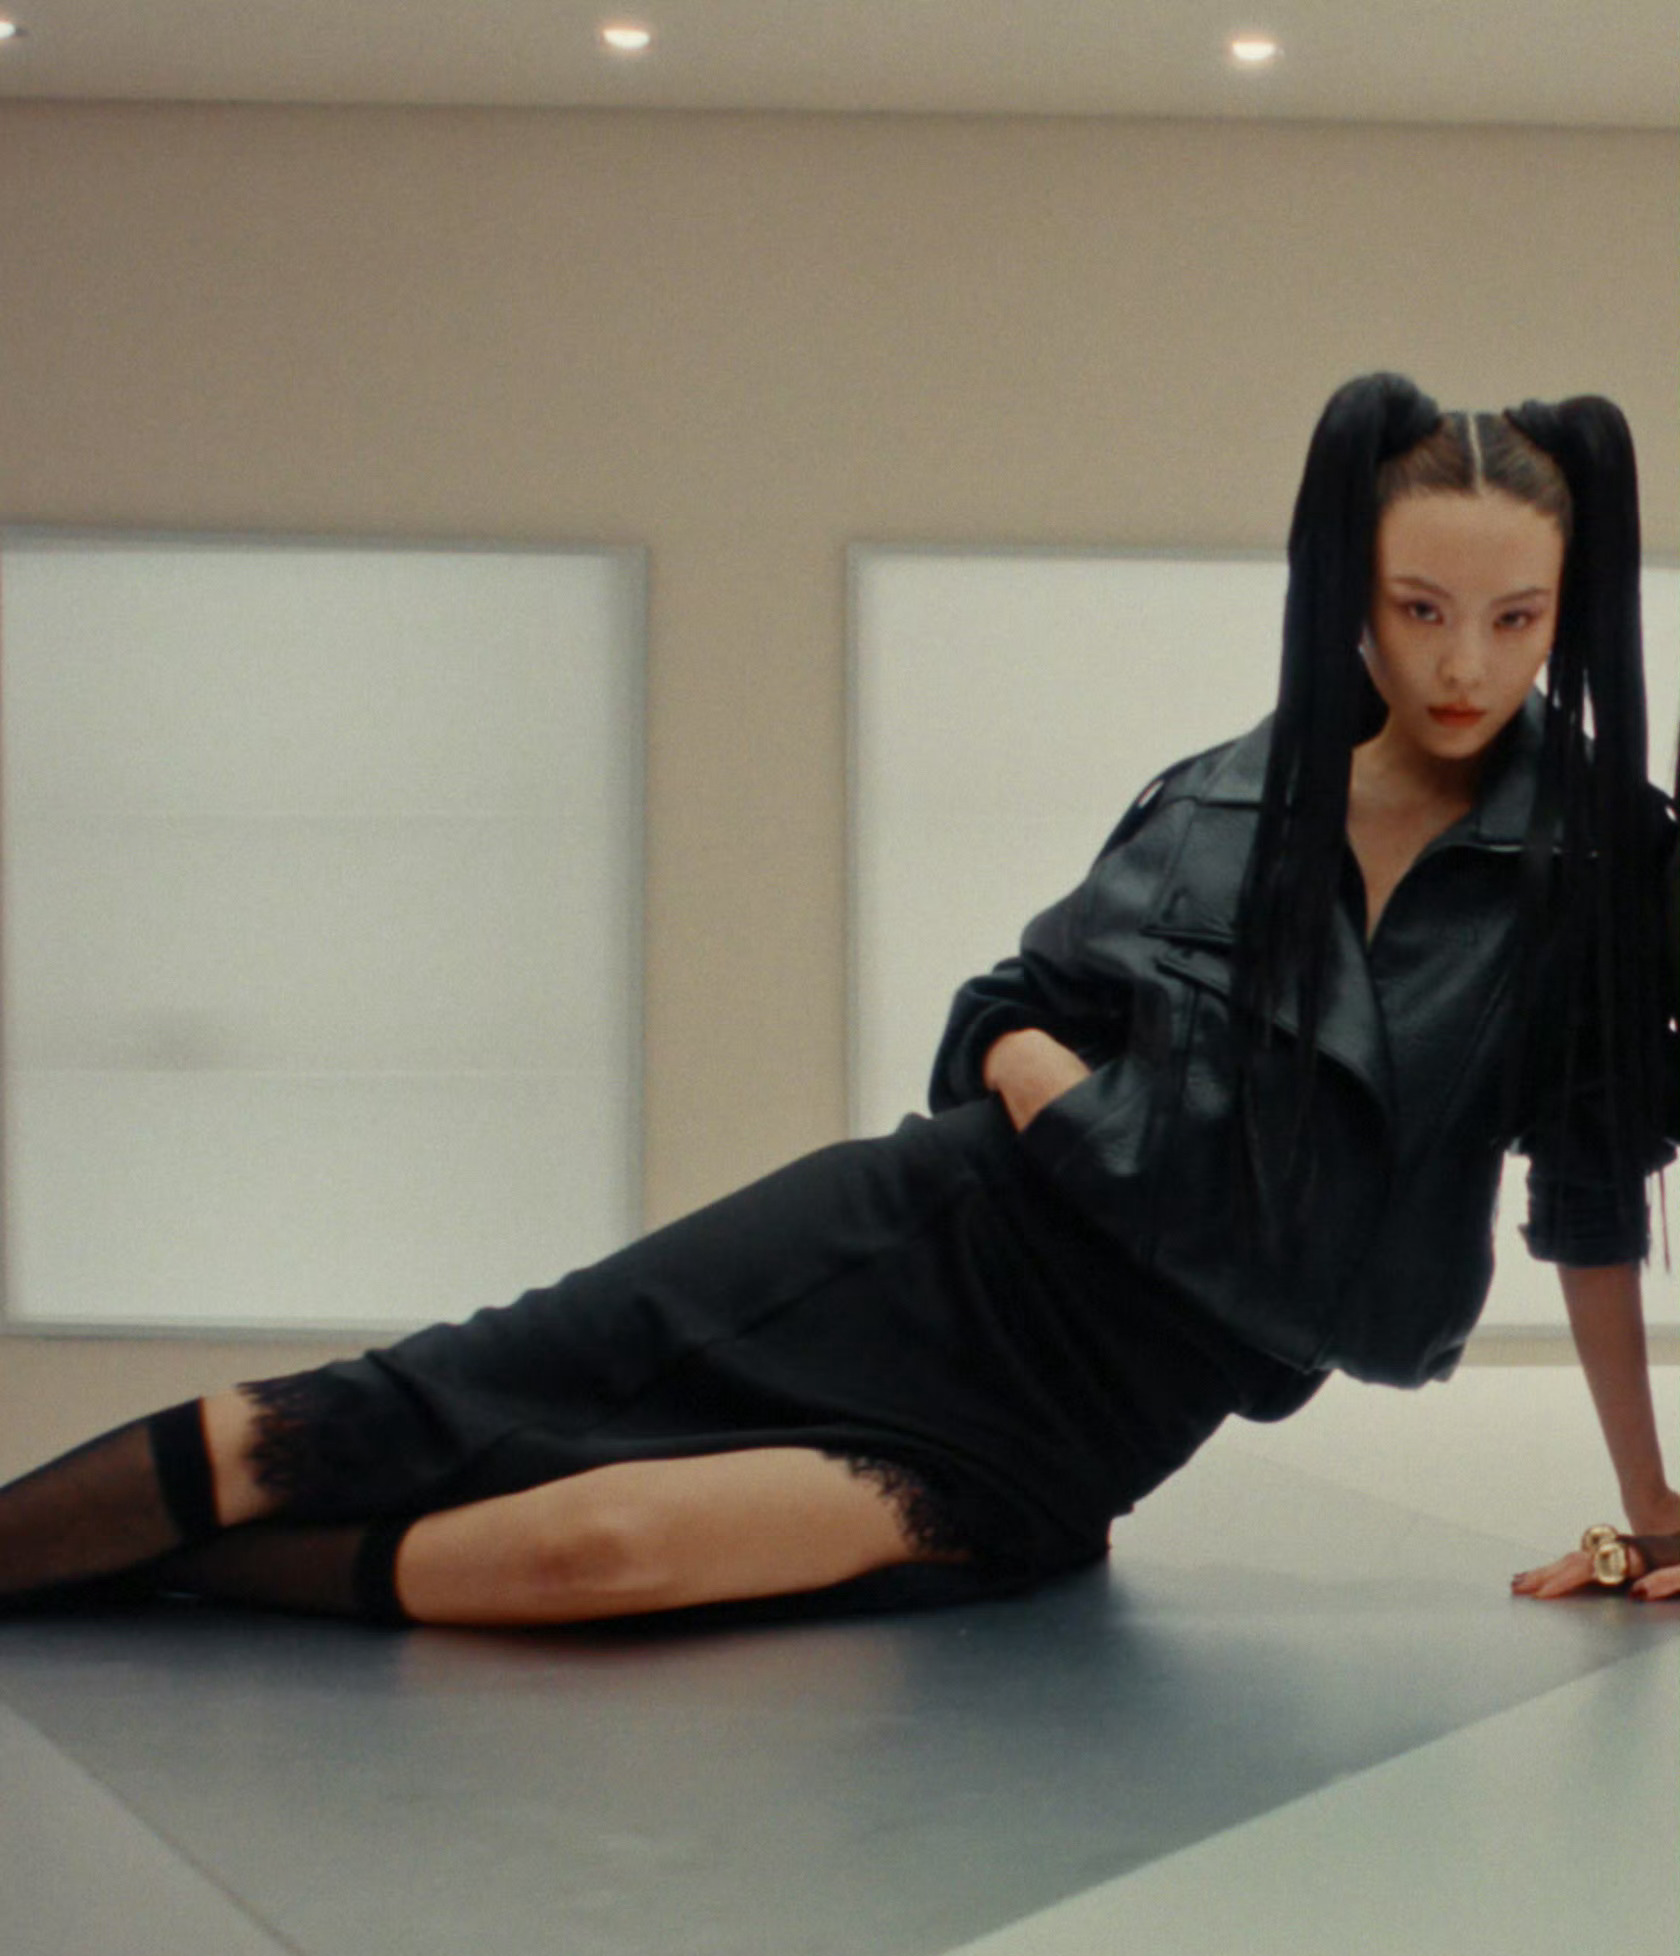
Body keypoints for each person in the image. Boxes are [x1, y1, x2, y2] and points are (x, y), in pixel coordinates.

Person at [3, 372, 1676, 1629]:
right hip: (931, 1238)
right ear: (1352, 594)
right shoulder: (1222, 798)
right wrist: (1057, 1094)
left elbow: (1592, 1202)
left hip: (1084, 1424)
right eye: (1420, 610)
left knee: (591, 1554)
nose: (1465, 665)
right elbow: (1010, 1003)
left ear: (1568, 612)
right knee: (406, 1411)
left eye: (1515, 618)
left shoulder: (1603, 865)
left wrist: (1653, 1516)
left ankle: (153, 1579)